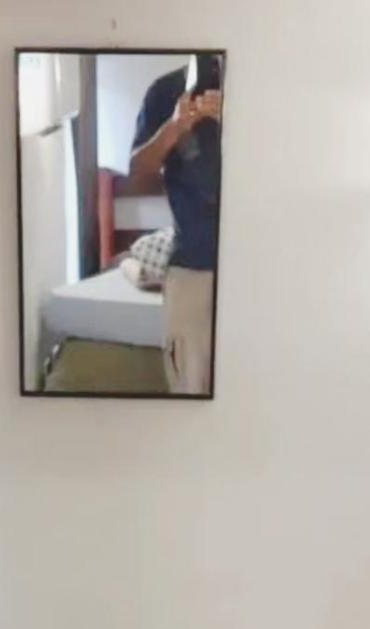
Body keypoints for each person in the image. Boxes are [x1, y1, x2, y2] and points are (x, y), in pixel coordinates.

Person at [129, 55, 223, 395]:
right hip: (192, 268)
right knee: (189, 392)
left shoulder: (268, 92)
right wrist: (174, 127)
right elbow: (137, 176)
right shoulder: (166, 91)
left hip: (260, 269)